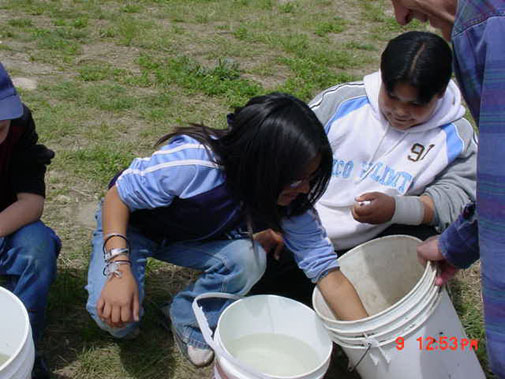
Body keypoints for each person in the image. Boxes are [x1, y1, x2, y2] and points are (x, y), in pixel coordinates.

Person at [85, 92, 368, 368]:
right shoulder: (192, 163)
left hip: (196, 237)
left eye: (311, 177)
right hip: (134, 228)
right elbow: (118, 197)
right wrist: (119, 269)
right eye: (295, 179)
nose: (305, 188)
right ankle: (124, 291)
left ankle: (186, 317)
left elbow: (328, 273)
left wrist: (370, 344)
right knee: (116, 320)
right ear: (260, 165)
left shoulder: (294, 201)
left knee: (251, 258)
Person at [250, 31, 476, 306]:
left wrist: (396, 209)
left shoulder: (457, 137)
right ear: (381, 79)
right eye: (392, 97)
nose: (400, 112)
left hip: (372, 242)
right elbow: (286, 155)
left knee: (419, 244)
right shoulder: (341, 103)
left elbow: (456, 199)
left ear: (440, 95)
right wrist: (279, 221)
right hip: (299, 223)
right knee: (260, 287)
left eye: (416, 104)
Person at [390, 0, 505, 377]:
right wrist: (460, 242)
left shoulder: (493, 28)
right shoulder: (345, 107)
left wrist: (399, 210)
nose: (400, 17)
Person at [0, 63, 60, 379]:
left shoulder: (20, 125)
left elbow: (31, 203)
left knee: (38, 246)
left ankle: (25, 347)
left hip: (4, 223)